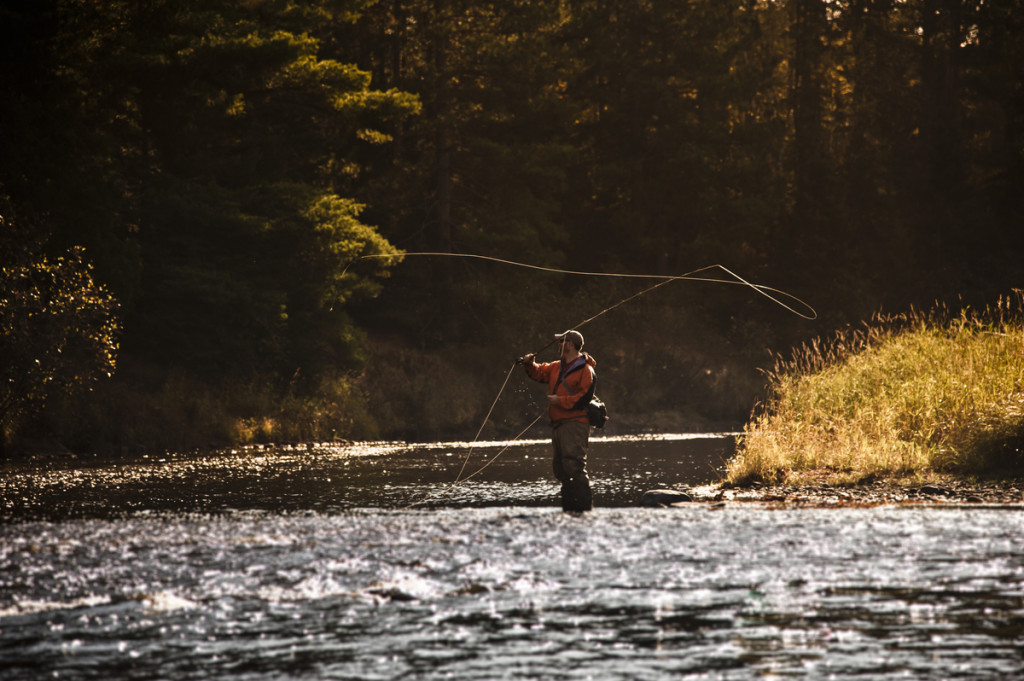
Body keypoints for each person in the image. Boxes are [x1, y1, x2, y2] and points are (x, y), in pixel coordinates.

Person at [520, 330, 597, 512]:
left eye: (561, 341)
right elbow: (539, 373)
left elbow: (584, 397)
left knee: (574, 466)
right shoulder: (556, 366)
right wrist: (530, 365)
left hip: (575, 424)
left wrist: (559, 401)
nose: (558, 345)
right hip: (558, 424)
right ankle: (570, 508)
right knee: (561, 469)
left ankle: (584, 509)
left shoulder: (586, 370)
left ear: (569, 344)